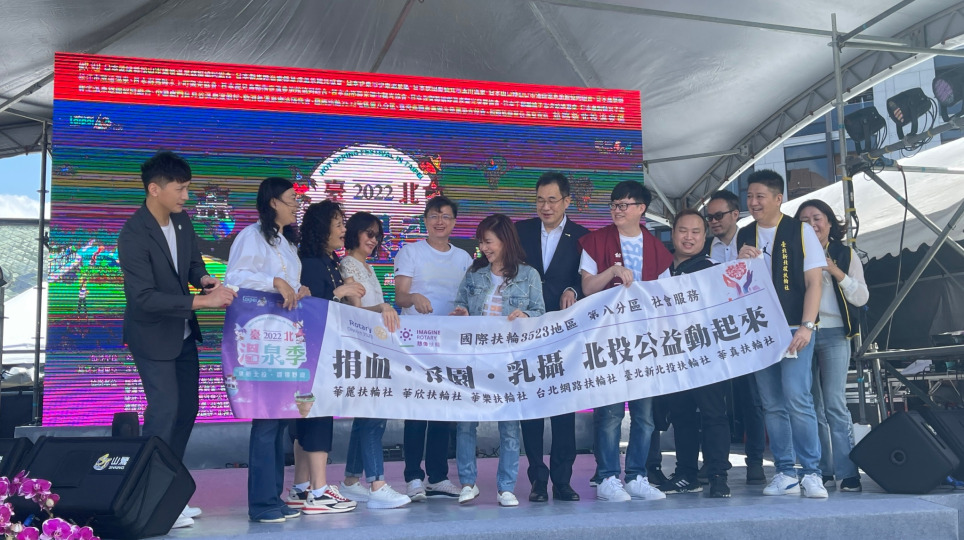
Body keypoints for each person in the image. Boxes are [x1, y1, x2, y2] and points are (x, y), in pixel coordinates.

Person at [118, 150, 236, 529]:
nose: (186, 196)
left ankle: (169, 493)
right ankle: (146, 500)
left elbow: (192, 263)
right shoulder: (133, 234)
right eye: (180, 189)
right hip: (152, 336)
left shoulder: (182, 221)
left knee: (187, 410)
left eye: (187, 188)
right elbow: (144, 298)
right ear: (154, 189)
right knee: (164, 411)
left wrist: (203, 279)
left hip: (182, 333)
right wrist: (203, 301)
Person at [226, 180, 353, 522]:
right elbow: (235, 277)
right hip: (260, 340)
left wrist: (299, 289)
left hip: (285, 340)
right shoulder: (251, 236)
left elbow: (291, 285)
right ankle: (261, 503)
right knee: (266, 420)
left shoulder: (286, 242)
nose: (296, 205)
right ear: (272, 202)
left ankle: (275, 496)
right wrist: (275, 282)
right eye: (291, 199)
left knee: (281, 418)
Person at [578, 180, 672, 502]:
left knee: (644, 416)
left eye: (624, 205)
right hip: (608, 339)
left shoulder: (658, 249)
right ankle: (607, 477)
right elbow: (588, 287)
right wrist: (613, 271)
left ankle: (636, 476)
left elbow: (665, 299)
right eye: (614, 205)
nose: (617, 210)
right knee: (610, 413)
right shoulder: (596, 241)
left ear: (641, 209)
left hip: (645, 342)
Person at [737, 169, 827, 498]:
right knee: (771, 403)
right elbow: (732, 286)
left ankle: (812, 471)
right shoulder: (743, 234)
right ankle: (785, 471)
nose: (753, 202)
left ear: (778, 198)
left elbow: (814, 282)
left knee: (797, 397)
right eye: (750, 196)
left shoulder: (800, 230)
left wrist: (807, 325)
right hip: (758, 329)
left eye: (760, 196)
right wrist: (738, 263)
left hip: (793, 327)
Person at [451, 213, 546, 507]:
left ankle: (506, 487)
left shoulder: (528, 275)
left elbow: (540, 313)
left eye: (488, 241)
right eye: (481, 242)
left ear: (505, 240)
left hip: (510, 360)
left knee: (509, 426)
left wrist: (525, 315)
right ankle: (468, 483)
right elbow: (460, 304)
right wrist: (461, 313)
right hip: (474, 359)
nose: (484, 248)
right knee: (466, 423)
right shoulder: (475, 273)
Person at [514, 172, 588, 502]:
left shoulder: (583, 237)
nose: (545, 207)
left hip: (564, 334)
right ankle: (537, 479)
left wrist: (573, 288)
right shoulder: (520, 232)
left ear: (567, 201)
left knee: (563, 408)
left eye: (552, 200)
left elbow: (587, 278)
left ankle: (562, 480)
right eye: (540, 200)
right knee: (531, 408)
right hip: (527, 332)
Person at [394, 196, 471, 501]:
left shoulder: (463, 258)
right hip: (416, 342)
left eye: (446, 216)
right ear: (425, 220)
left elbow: (467, 297)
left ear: (454, 222)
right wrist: (414, 298)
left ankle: (437, 477)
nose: (440, 222)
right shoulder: (411, 251)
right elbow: (400, 296)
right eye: (435, 216)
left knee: (443, 408)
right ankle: (413, 477)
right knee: (416, 409)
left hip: (450, 342)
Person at [336, 211, 411, 508]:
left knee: (365, 415)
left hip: (374, 347)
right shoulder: (348, 264)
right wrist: (382, 307)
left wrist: (382, 309)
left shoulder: (364, 265)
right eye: (368, 233)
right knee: (373, 414)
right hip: (362, 348)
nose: (373, 240)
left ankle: (351, 480)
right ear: (354, 233)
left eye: (377, 235)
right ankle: (377, 484)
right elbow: (355, 312)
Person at [655, 209, 732, 498]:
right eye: (683, 231)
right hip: (673, 355)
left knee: (714, 414)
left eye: (696, 232)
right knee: (681, 415)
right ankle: (686, 474)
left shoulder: (713, 269)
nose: (689, 237)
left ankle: (718, 475)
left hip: (707, 354)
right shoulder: (659, 270)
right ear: (672, 233)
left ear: (705, 236)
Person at [795, 199, 868, 493]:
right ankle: (821, 470)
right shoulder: (793, 253)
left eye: (817, 217)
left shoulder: (845, 253)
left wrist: (836, 271)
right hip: (802, 332)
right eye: (804, 220)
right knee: (811, 405)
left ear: (829, 222)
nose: (812, 224)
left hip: (836, 333)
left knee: (835, 403)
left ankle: (849, 472)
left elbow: (862, 297)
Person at [706, 190, 767, 486]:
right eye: (709, 217)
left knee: (751, 398)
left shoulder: (754, 240)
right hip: (717, 331)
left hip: (749, 328)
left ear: (734, 214)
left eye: (719, 215)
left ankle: (755, 460)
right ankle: (715, 462)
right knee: (714, 401)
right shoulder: (708, 247)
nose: (713, 222)